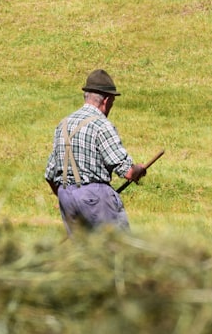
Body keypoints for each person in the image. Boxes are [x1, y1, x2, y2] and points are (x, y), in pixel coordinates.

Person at [44, 69, 147, 235]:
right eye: (111, 103)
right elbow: (127, 172)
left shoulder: (63, 125)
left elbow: (50, 175)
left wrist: (69, 198)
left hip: (66, 197)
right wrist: (139, 170)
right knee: (119, 249)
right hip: (95, 197)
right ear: (106, 101)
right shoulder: (101, 125)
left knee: (84, 255)